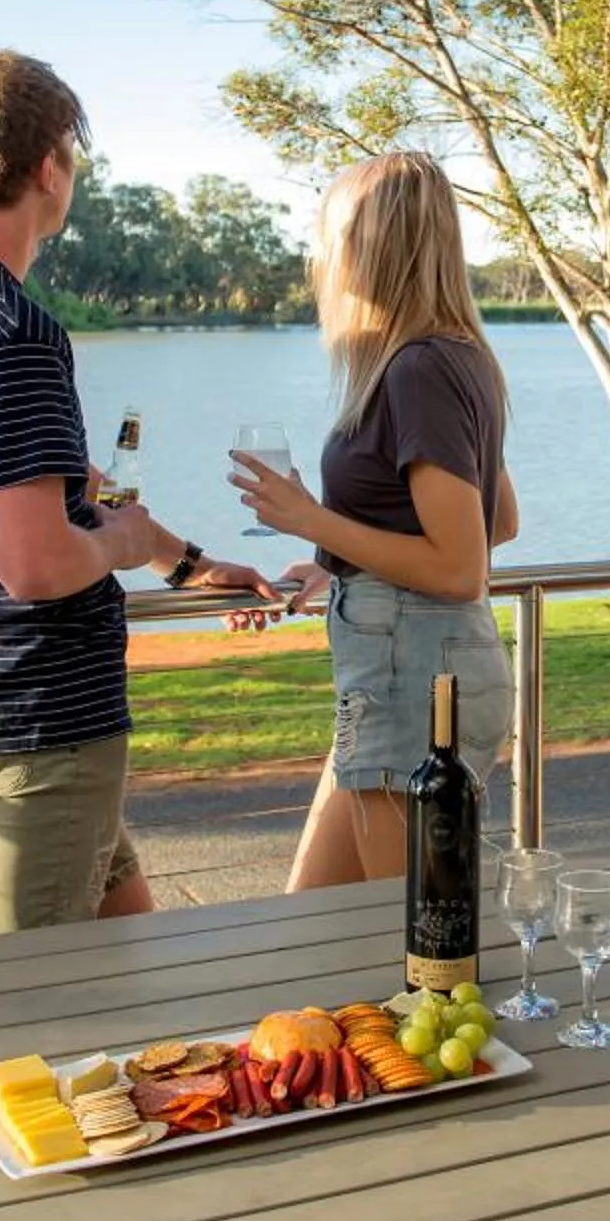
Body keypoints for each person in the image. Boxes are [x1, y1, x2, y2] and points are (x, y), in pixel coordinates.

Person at [0, 48, 273, 935]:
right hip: (36, 722)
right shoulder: (10, 330)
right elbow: (36, 562)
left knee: (127, 963)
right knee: (21, 1012)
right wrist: (121, 549)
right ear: (49, 165)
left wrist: (181, 562)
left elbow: (38, 487)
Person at [225, 151, 520, 892]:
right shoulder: (459, 358)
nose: (320, 255)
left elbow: (461, 566)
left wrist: (313, 520)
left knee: (418, 943)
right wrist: (333, 562)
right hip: (403, 677)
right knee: (316, 924)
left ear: (375, 246)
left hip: (411, 679)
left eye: (332, 235)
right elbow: (500, 519)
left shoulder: (419, 369)